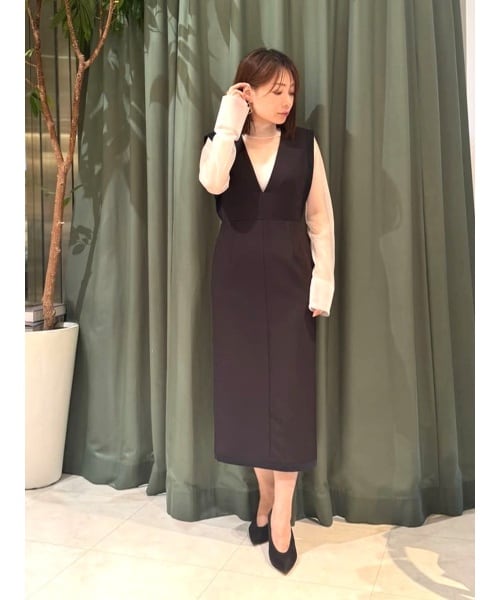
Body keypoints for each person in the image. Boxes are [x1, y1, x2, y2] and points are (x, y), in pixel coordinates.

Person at [199, 48, 335, 574]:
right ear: (247, 91)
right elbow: (213, 182)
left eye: (291, 91)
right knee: (250, 396)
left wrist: (322, 283)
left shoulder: (304, 146)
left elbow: (320, 219)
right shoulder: (221, 144)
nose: (286, 101)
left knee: (290, 398)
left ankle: (283, 516)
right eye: (275, 90)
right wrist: (227, 122)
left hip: (291, 282)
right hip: (234, 284)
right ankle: (265, 496)